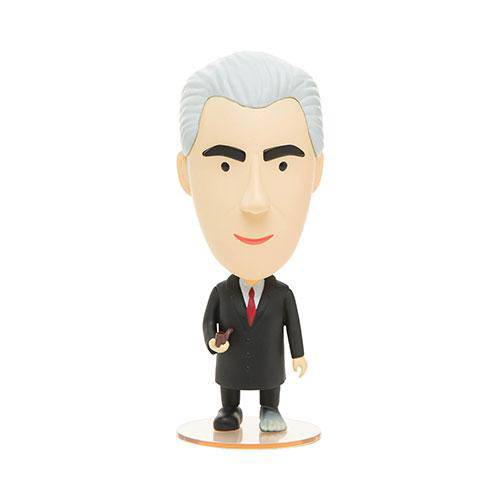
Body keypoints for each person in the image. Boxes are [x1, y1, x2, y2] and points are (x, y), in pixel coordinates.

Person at [177, 52, 324, 432]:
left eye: (282, 165)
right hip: (229, 366)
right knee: (229, 392)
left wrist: (298, 355)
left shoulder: (282, 295)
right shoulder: (221, 294)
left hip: (270, 368)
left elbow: (292, 327)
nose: (255, 201)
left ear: (317, 171)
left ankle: (270, 408)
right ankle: (230, 408)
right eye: (226, 166)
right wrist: (213, 342)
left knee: (270, 391)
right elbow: (208, 322)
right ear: (185, 174)